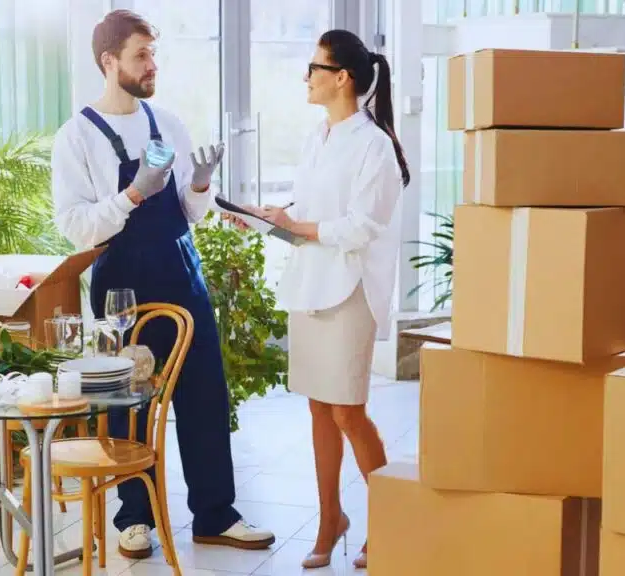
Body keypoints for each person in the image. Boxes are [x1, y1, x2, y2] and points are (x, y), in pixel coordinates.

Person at [50, 9, 275, 560]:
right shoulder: (76, 136)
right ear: (109, 61)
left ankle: (215, 514)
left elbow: (190, 212)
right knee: (125, 397)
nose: (152, 65)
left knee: (204, 392)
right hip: (121, 279)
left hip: (181, 268)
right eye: (140, 55)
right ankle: (134, 520)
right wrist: (130, 196)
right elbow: (75, 226)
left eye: (154, 54)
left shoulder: (167, 123)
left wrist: (198, 184)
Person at [225, 29, 409, 571]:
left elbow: (360, 227)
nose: (306, 76)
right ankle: (331, 518)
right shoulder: (317, 138)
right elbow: (306, 217)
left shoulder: (375, 146)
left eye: (313, 66)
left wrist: (295, 222)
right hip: (310, 286)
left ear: (341, 77)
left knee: (349, 411)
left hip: (349, 289)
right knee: (319, 410)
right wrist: (264, 220)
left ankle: (391, 517)